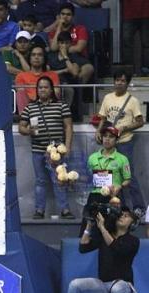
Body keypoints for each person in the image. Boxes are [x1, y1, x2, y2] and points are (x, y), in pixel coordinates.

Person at [18, 76, 75, 219]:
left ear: (51, 89)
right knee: (40, 181)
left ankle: (65, 210)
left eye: (46, 87)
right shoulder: (30, 107)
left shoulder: (61, 106)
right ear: (37, 90)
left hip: (57, 152)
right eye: (40, 87)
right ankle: (39, 211)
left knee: (60, 180)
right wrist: (29, 131)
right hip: (38, 151)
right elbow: (21, 128)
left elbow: (68, 127)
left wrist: (67, 146)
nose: (42, 90)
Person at [95, 70, 145, 217]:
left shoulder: (133, 100)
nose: (119, 83)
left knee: (129, 176)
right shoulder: (107, 98)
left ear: (127, 83)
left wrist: (124, 127)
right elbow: (102, 118)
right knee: (111, 175)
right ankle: (119, 206)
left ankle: (139, 207)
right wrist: (98, 131)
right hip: (109, 142)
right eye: (117, 80)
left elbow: (140, 122)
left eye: (123, 81)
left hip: (125, 142)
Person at [68, 207, 140, 293]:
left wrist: (102, 228)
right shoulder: (104, 236)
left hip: (123, 283)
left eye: (126, 216)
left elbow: (116, 248)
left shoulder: (133, 240)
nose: (122, 217)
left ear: (132, 224)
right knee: (75, 284)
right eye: (120, 215)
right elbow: (83, 248)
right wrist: (89, 225)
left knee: (117, 288)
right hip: (103, 283)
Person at [83, 123, 131, 232]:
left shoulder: (122, 159)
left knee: (111, 229)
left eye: (111, 137)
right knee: (88, 228)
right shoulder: (92, 158)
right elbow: (88, 177)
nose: (107, 139)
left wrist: (119, 186)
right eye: (105, 136)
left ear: (116, 140)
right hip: (95, 196)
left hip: (113, 197)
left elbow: (127, 179)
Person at [15, 44, 60, 114]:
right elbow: (21, 93)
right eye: (33, 55)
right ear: (29, 59)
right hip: (29, 108)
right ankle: (24, 119)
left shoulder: (53, 75)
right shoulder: (21, 76)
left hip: (48, 106)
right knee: (20, 93)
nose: (36, 57)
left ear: (44, 58)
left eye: (40, 55)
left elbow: (56, 92)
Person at [121, 0, 149, 76]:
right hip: (129, 12)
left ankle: (146, 69)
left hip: (146, 11)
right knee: (126, 42)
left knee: (147, 44)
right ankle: (128, 69)